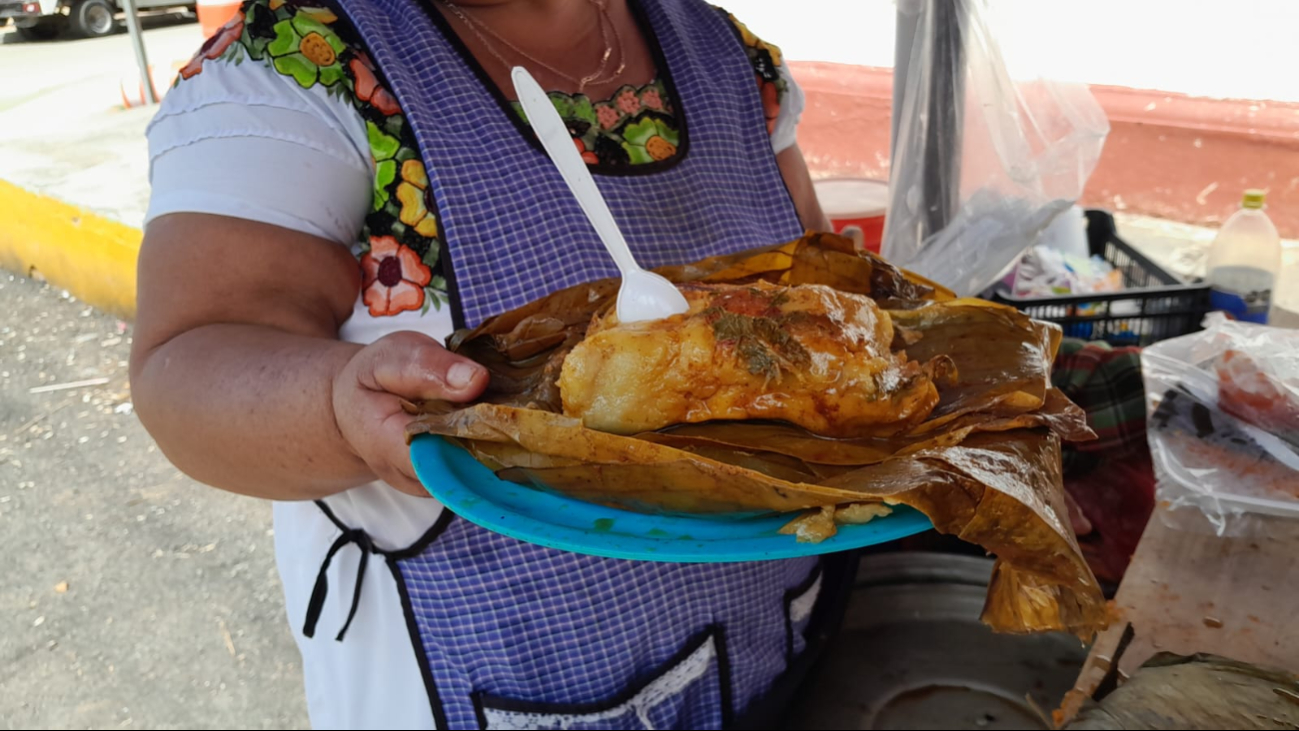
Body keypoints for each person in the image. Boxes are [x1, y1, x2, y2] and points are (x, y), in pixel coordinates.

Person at [130, 0, 850, 727]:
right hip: (494, 667)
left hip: (776, 638)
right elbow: (186, 363)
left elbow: (816, 281)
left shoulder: (723, 54)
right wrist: (338, 403)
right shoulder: (292, 64)